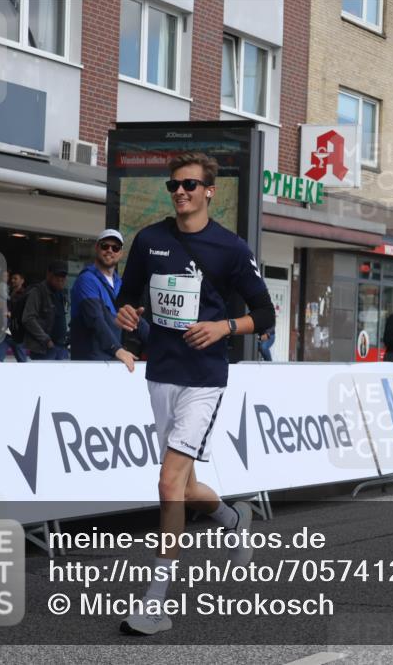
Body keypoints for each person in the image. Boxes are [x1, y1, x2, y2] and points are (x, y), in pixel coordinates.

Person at [113, 152, 275, 636]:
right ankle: (233, 519)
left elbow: (264, 315)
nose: (180, 192)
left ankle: (155, 604)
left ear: (209, 191)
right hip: (161, 373)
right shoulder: (150, 240)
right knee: (183, 488)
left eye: (189, 185)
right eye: (174, 186)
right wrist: (126, 314)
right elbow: (128, 297)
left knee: (167, 486)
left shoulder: (230, 248)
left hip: (204, 378)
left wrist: (224, 326)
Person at [69, 229, 143, 371]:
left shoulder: (119, 283)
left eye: (115, 248)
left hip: (113, 361)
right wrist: (117, 349)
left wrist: (157, 344)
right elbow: (95, 319)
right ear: (97, 248)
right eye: (105, 246)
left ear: (121, 253)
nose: (110, 250)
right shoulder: (86, 279)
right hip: (89, 364)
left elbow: (135, 320)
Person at [22, 261, 70, 360]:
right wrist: (46, 340)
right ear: (48, 274)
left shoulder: (62, 293)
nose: (60, 279)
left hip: (61, 347)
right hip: (44, 349)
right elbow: (28, 318)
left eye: (63, 276)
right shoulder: (38, 292)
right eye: (57, 275)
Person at [0, 270, 29, 362]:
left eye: (15, 279)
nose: (13, 280)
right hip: (4, 331)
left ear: (22, 280)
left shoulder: (25, 295)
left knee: (22, 360)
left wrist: (11, 314)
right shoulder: (6, 292)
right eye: (12, 278)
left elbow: (27, 312)